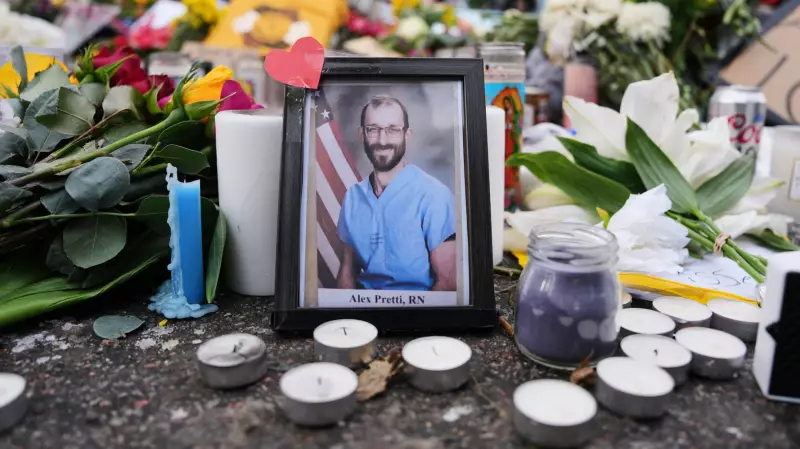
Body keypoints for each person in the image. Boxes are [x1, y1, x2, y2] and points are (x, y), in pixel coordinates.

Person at [336, 95, 458, 291]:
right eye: (373, 129)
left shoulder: (434, 196)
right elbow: (347, 272)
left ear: (407, 135)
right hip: (364, 306)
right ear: (361, 134)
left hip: (418, 307)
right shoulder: (352, 197)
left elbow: (448, 283)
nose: (382, 140)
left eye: (392, 130)